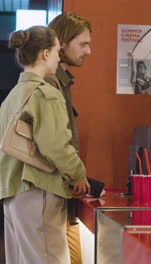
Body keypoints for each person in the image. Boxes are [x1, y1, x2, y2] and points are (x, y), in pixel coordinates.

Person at [0, 26, 89, 264]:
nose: (60, 56)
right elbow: (56, 146)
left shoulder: (13, 96)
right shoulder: (46, 94)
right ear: (45, 54)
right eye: (58, 51)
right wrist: (78, 174)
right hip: (37, 191)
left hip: (11, 193)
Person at [45, 12, 92, 264]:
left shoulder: (62, 82)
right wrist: (77, 174)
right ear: (62, 43)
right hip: (49, 193)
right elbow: (53, 141)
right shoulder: (50, 83)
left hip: (62, 193)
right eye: (83, 44)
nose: (89, 51)